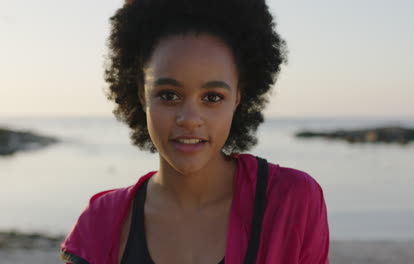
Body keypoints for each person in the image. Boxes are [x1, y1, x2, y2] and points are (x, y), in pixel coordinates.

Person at [60, 0, 330, 263]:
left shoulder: (291, 202)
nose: (189, 119)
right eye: (168, 95)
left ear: (238, 97)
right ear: (142, 96)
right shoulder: (99, 224)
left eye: (212, 97)